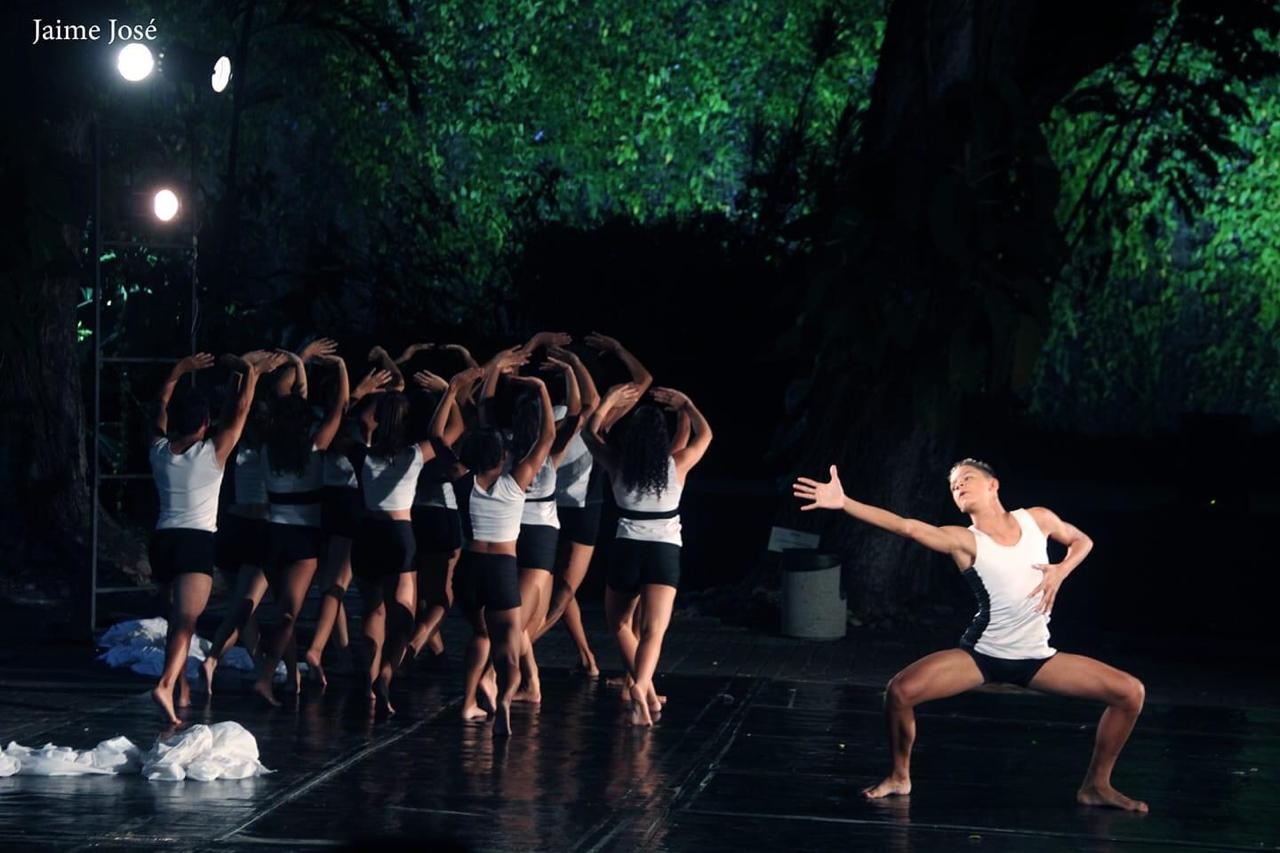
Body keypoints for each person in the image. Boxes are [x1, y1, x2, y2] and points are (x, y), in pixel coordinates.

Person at [792, 459, 1148, 811]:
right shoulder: (963, 540)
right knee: (899, 692)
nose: (958, 486)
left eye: (966, 478)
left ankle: (1096, 785)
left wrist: (1061, 570)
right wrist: (845, 503)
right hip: (982, 656)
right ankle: (900, 776)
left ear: (993, 485)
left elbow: (1081, 540)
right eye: (953, 485)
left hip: (1037, 658)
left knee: (1130, 693)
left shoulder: (1037, 519)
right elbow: (907, 527)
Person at [147, 350, 281, 725]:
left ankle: (180, 687)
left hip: (162, 543)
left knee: (176, 620)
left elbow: (159, 404)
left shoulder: (159, 450)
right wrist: (251, 372)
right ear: (205, 423)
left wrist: (179, 369)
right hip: (195, 543)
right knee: (187, 621)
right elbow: (240, 411)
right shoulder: (213, 453)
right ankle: (166, 684)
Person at [583, 384, 712, 726]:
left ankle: (645, 689)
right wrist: (687, 403)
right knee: (654, 630)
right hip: (664, 552)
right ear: (661, 439)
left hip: (627, 548)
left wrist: (608, 401)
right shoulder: (677, 464)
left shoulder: (617, 463)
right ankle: (642, 686)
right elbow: (706, 435)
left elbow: (588, 433)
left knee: (619, 623)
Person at [445, 351, 555, 736]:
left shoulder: (462, 480)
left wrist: (453, 390)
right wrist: (541, 389)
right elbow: (547, 437)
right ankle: (506, 697)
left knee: (480, 634)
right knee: (508, 644)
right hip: (502, 571)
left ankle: (468, 703)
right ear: (503, 457)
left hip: (469, 569)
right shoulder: (516, 481)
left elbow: (435, 435)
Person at [535, 334, 653, 677]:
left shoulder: (558, 413)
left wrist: (540, 346)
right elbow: (643, 380)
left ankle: (585, 657)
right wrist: (616, 349)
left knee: (562, 587)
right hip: (564, 507)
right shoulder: (584, 414)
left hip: (564, 506)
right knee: (563, 588)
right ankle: (526, 644)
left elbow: (642, 382)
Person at [256, 349, 349, 705]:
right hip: (302, 538)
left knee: (284, 611)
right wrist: (341, 367)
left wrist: (299, 362)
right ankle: (266, 677)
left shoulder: (267, 447)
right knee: (288, 613)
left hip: (271, 534)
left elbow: (288, 400)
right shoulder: (313, 447)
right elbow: (339, 409)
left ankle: (293, 676)